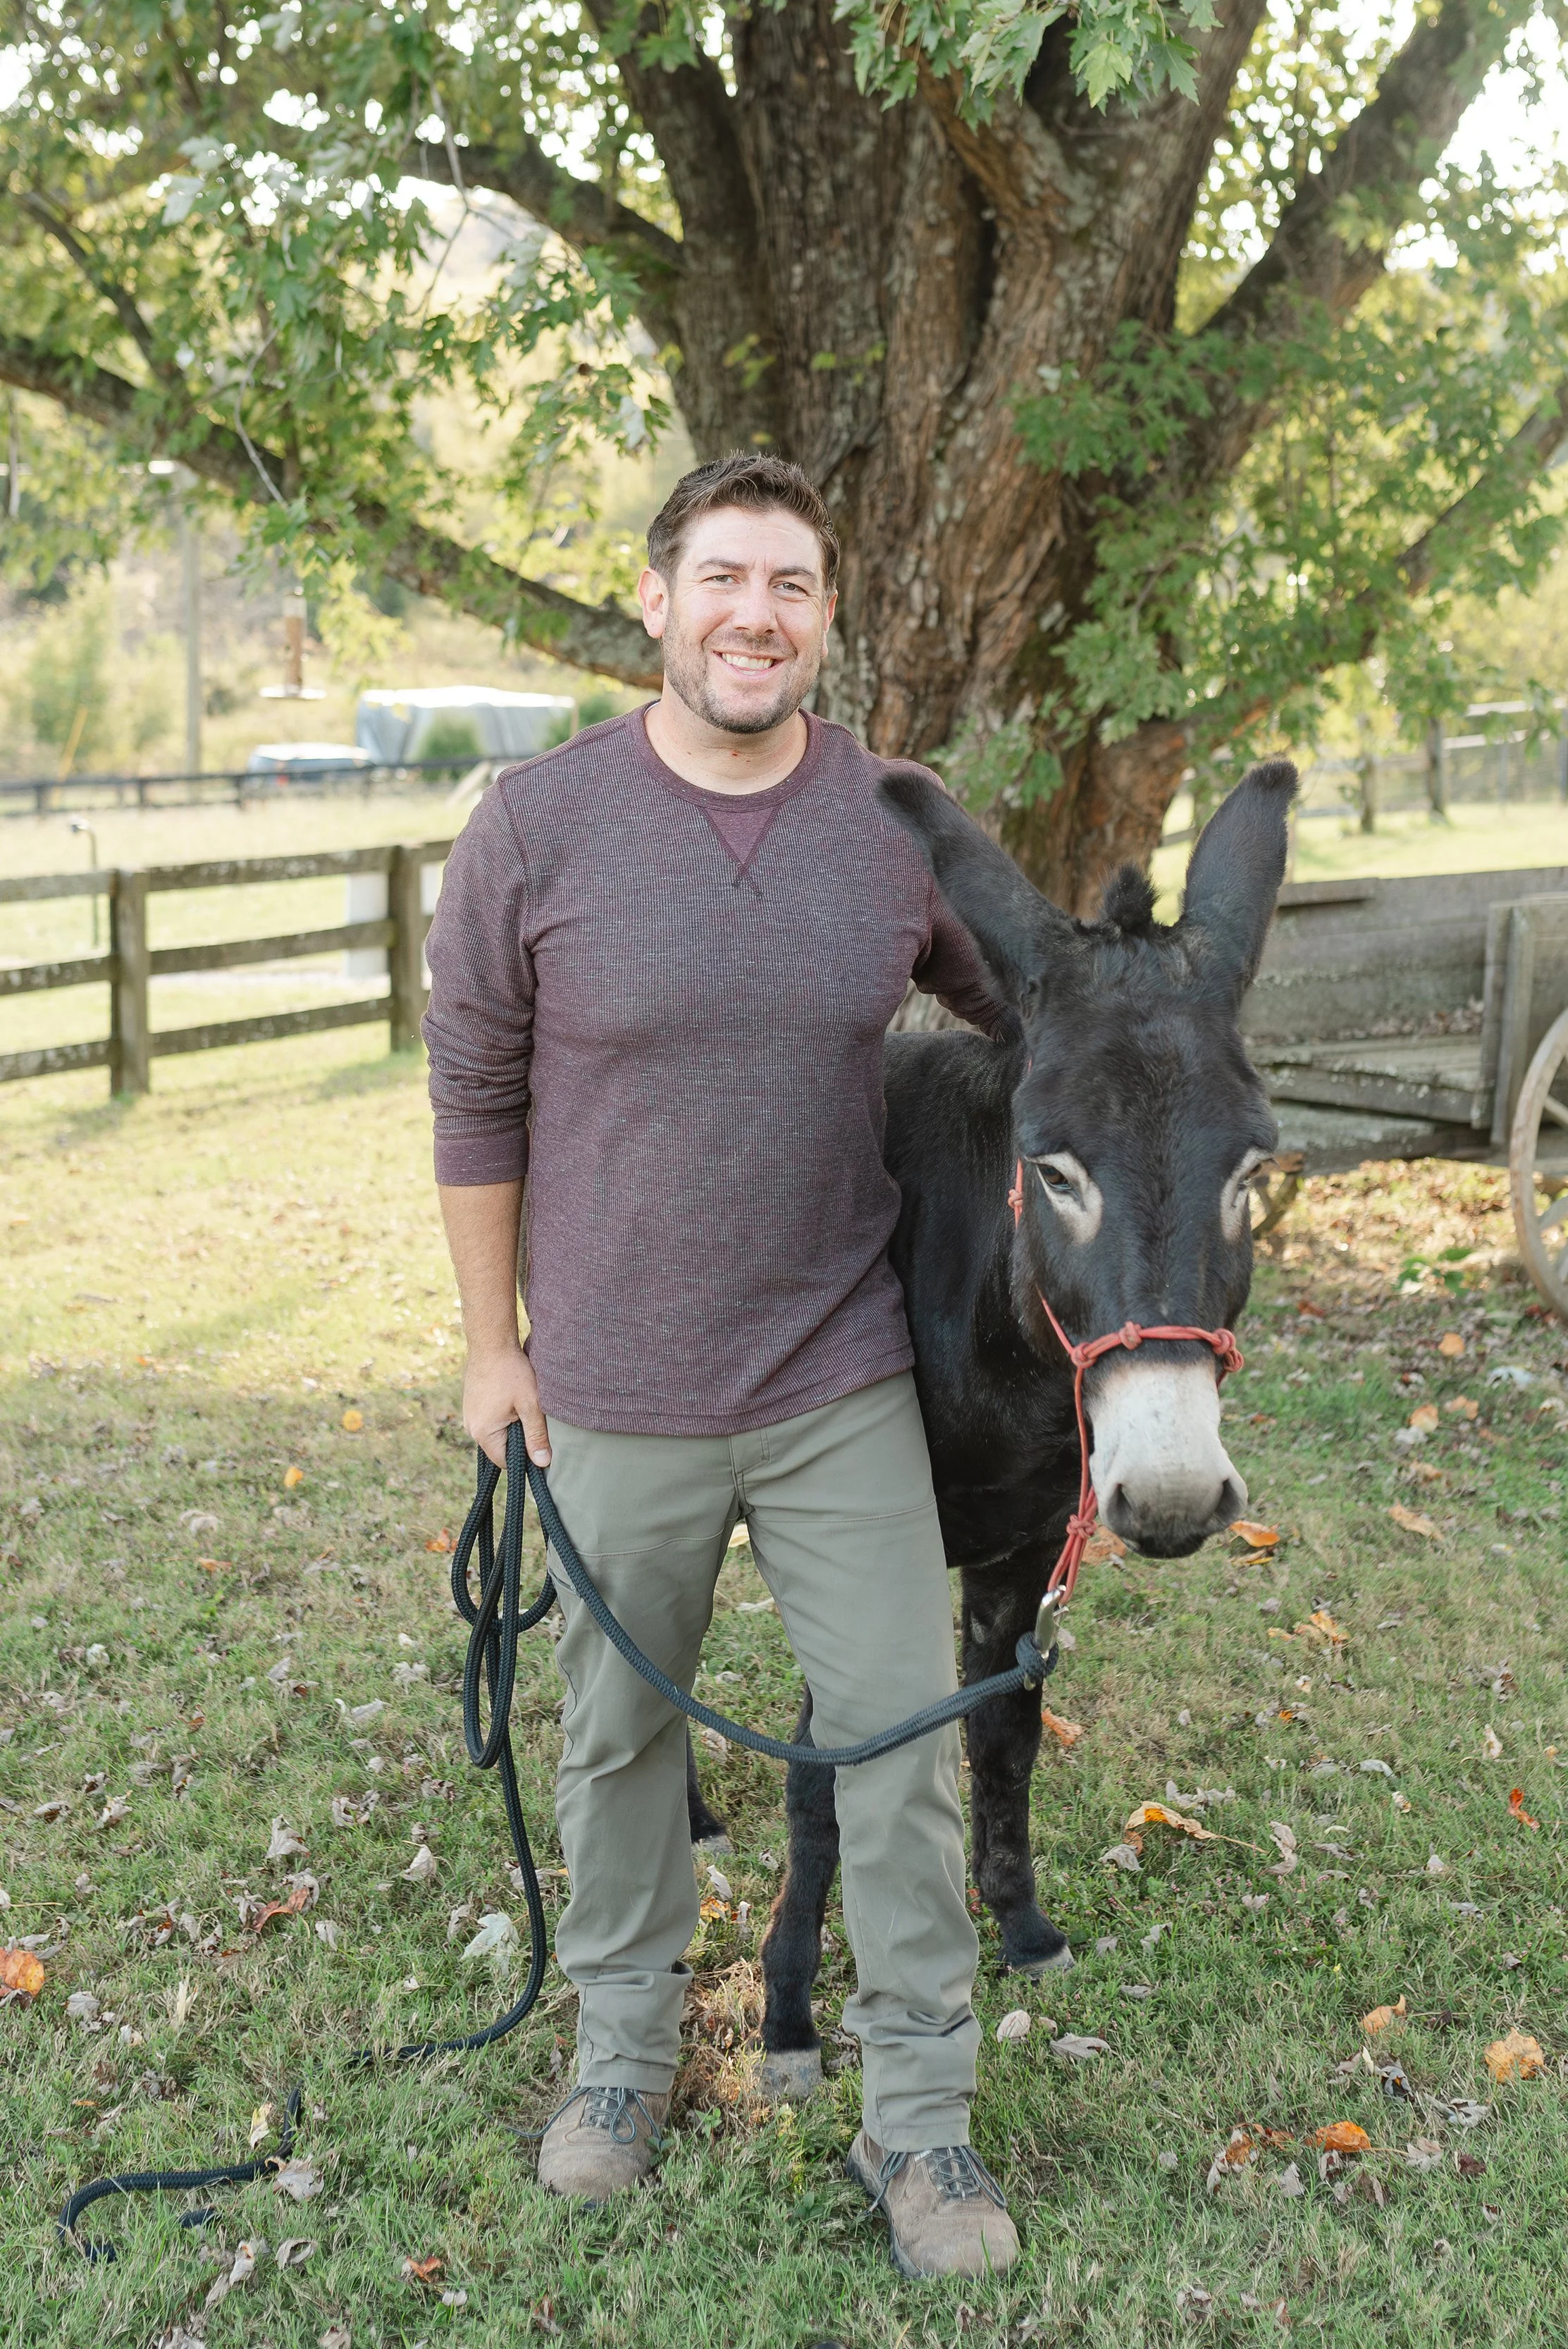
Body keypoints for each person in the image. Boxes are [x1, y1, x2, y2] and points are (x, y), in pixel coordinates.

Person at [422, 452, 1020, 2279]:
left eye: (794, 586)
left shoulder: (890, 826)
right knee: (616, 1737)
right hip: (610, 1376)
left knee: (905, 1744)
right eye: (727, 579)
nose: (758, 614)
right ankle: (620, 2058)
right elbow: (473, 1091)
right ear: (662, 600)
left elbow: (1037, 1020)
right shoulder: (535, 824)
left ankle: (919, 2125)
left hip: (837, 1370)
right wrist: (486, 1347)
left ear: (825, 618)